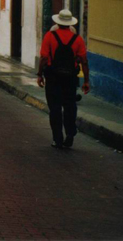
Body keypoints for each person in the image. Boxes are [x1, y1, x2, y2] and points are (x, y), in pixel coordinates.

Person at [37, 9, 90, 149]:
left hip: (53, 77)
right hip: (70, 79)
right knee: (70, 106)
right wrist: (86, 81)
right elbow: (84, 61)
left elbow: (44, 58)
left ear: (58, 22)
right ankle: (70, 133)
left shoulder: (49, 36)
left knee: (54, 108)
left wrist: (39, 74)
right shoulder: (77, 39)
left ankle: (57, 139)